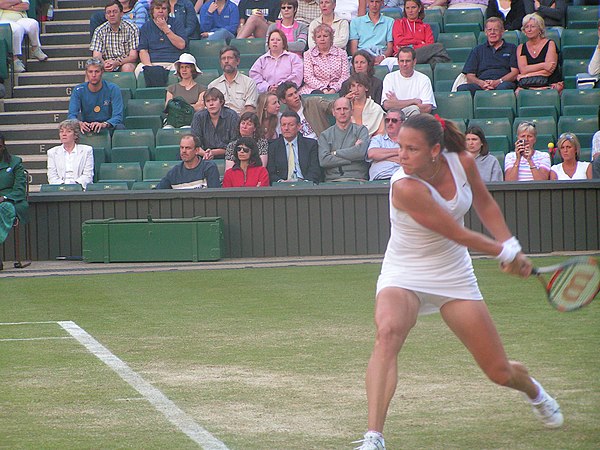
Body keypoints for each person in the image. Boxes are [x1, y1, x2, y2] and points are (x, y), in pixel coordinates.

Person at [353, 113, 563, 450]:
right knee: (387, 333)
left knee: (499, 372)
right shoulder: (404, 186)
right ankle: (373, 437)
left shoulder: (462, 161)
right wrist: (504, 255)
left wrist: (511, 246)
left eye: (411, 149)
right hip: (403, 272)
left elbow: (484, 202)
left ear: (435, 150)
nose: (401, 156)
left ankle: (535, 392)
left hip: (453, 273)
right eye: (399, 148)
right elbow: (456, 232)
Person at [457, 17, 518, 95]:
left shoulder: (512, 48)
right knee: (463, 88)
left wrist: (498, 82)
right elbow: (470, 76)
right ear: (486, 32)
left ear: (502, 32)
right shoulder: (477, 50)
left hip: (503, 82)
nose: (492, 32)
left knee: (504, 87)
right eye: (489, 30)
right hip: (482, 83)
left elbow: (514, 73)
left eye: (495, 30)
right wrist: (481, 83)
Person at [318, 97, 369, 181]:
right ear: (333, 112)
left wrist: (334, 153)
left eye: (345, 109)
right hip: (333, 181)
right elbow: (324, 160)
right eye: (338, 109)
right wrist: (352, 157)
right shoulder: (325, 135)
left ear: (351, 111)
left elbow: (360, 153)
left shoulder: (361, 130)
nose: (342, 112)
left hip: (358, 179)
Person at [68, 58, 124, 133]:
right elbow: (71, 115)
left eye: (97, 71)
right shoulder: (78, 90)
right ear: (86, 73)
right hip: (87, 126)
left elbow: (118, 116)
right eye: (90, 72)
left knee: (120, 127)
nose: (93, 75)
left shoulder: (113, 89)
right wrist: (79, 123)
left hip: (108, 125)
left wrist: (105, 124)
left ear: (102, 72)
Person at [390, 0, 450, 67]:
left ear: (419, 9)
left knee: (435, 60)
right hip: (402, 55)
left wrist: (412, 46)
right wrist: (420, 42)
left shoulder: (426, 27)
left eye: (413, 7)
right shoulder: (399, 23)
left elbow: (429, 44)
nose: (410, 11)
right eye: (407, 8)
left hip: (419, 54)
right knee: (439, 47)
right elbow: (399, 41)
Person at [136, 0, 188, 77]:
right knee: (138, 70)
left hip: (173, 62)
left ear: (168, 10)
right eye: (157, 8)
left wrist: (165, 28)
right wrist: (149, 67)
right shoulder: (146, 27)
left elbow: (181, 45)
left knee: (180, 70)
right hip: (152, 62)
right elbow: (143, 51)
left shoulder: (176, 23)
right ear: (152, 11)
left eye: (164, 8)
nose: (161, 11)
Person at [267, 110, 321, 183]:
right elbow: (271, 172)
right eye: (283, 125)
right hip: (282, 187)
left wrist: (306, 183)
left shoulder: (311, 144)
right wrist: (281, 182)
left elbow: (315, 169)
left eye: (290, 125)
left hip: (305, 186)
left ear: (299, 126)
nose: (286, 128)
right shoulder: (273, 146)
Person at [0, 132, 29, 271]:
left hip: (11, 201)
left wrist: (5, 197)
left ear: (3, 146)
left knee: (3, 208)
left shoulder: (15, 162)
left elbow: (20, 189)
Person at [382, 46, 435, 117]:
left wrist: (397, 103)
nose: (404, 64)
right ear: (398, 62)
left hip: (416, 120)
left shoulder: (424, 79)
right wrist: (413, 101)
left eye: (408, 61)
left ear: (414, 62)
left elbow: (427, 107)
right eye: (401, 61)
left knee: (414, 110)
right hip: (395, 120)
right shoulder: (390, 78)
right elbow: (387, 105)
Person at [516, 13, 562, 93]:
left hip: (549, 82)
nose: (529, 29)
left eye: (533, 26)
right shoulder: (520, 47)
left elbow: (549, 71)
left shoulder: (550, 44)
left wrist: (527, 75)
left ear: (540, 29)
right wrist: (543, 65)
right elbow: (523, 69)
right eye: (526, 27)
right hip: (529, 84)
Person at [90, 1, 140, 73]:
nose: (112, 15)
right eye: (109, 12)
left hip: (125, 62)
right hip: (106, 62)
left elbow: (133, 56)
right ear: (106, 16)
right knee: (92, 69)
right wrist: (105, 64)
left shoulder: (132, 29)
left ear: (121, 14)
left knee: (128, 67)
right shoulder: (99, 31)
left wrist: (117, 63)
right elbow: (96, 56)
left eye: (115, 12)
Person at [299, 23, 350, 94]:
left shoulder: (342, 53)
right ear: (315, 39)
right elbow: (308, 77)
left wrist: (334, 89)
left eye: (325, 36)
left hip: (338, 87)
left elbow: (345, 76)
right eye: (319, 37)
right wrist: (323, 89)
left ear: (331, 38)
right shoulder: (308, 54)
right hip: (315, 88)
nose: (322, 39)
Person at [190, 87, 239, 160]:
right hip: (203, 156)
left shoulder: (232, 116)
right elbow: (195, 143)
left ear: (221, 102)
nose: (211, 104)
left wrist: (213, 152)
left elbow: (234, 144)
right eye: (208, 101)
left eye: (214, 100)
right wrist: (206, 154)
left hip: (229, 157)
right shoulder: (198, 117)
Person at [249, 29, 304, 93]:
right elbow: (254, 76)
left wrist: (281, 87)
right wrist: (268, 87)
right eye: (272, 40)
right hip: (267, 93)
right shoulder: (262, 60)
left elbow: (297, 76)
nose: (275, 42)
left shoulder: (293, 58)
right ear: (268, 44)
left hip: (288, 92)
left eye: (278, 40)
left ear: (283, 44)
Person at [208, 46, 259, 114]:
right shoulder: (213, 85)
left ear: (237, 61)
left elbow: (250, 109)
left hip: (241, 121)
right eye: (223, 58)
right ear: (220, 63)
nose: (226, 61)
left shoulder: (249, 83)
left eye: (230, 58)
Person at [157, 134, 221, 188]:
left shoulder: (209, 168)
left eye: (188, 148)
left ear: (197, 150)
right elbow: (156, 193)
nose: (184, 151)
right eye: (182, 147)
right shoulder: (174, 173)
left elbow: (215, 197)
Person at [0, 0, 48, 73]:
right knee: (17, 29)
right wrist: (17, 2)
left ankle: (35, 49)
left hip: (20, 18)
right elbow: (1, 4)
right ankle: (14, 59)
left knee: (33, 24)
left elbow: (25, 6)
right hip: (4, 20)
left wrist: (9, 6)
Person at [46, 120, 95, 190]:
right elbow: (52, 176)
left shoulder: (86, 150)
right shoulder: (52, 152)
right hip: (59, 189)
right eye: (61, 131)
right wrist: (63, 187)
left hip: (80, 189)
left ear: (75, 135)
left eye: (68, 131)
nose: (64, 134)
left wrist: (74, 186)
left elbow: (88, 175)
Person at [349, 0, 394, 65]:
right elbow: (354, 49)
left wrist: (383, 57)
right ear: (367, 2)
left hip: (381, 56)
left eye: (377, 2)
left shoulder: (390, 21)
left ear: (382, 3)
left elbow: (390, 48)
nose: (374, 4)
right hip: (362, 55)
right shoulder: (356, 22)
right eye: (371, 1)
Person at [165, 53, 206, 119]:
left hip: (194, 120)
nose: (184, 70)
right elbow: (169, 108)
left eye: (187, 67)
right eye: (182, 67)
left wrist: (178, 107)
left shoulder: (201, 89)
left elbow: (200, 107)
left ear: (192, 69)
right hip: (174, 120)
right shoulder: (171, 89)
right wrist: (191, 107)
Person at [366, 108, 403, 181]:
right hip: (379, 178)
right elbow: (372, 154)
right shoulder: (378, 139)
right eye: (387, 120)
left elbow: (409, 160)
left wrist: (381, 157)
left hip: (400, 180)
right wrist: (399, 151)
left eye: (394, 120)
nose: (390, 123)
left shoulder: (408, 141)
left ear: (402, 123)